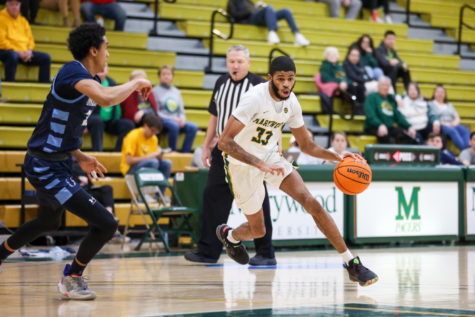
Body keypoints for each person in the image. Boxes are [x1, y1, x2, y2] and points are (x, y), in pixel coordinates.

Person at [0, 23, 153, 300]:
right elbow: (107, 99)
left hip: (57, 161)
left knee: (48, 222)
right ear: (93, 50)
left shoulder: (85, 80)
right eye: (106, 47)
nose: (108, 53)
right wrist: (136, 83)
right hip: (44, 165)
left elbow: (60, 126)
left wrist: (80, 155)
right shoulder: (74, 72)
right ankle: (72, 277)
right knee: (107, 224)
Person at [216, 56, 378, 286]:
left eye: (290, 79)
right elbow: (224, 142)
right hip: (241, 164)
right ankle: (230, 236)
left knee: (311, 202)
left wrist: (338, 157)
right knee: (258, 230)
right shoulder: (254, 99)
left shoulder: (292, 103)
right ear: (270, 78)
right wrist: (258, 164)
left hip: (271, 157)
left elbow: (307, 145)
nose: (286, 84)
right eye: (280, 79)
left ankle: (351, 263)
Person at [184, 45, 277, 266]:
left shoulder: (259, 85)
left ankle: (266, 252)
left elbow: (272, 119)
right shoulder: (221, 83)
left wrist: (274, 147)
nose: (235, 65)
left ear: (248, 62)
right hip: (223, 149)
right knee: (212, 196)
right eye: (231, 61)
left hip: (249, 151)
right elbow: (214, 117)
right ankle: (208, 251)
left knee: (257, 200)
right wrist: (206, 146)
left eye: (239, 61)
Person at [0, 0, 51, 83]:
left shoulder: (23, 20)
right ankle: (10, 83)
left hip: (24, 52)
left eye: (16, 4)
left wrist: (29, 51)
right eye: (12, 4)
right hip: (7, 50)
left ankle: (44, 87)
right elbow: (2, 41)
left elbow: (30, 39)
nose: (15, 7)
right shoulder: (1, 18)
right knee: (12, 56)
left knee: (46, 58)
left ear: (20, 5)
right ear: (6, 6)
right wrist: (18, 51)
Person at [120, 113, 172, 194]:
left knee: (167, 163)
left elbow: (153, 158)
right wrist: (149, 157)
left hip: (148, 165)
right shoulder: (133, 136)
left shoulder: (154, 138)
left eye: (156, 132)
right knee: (153, 162)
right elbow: (128, 161)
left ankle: (159, 196)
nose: (153, 134)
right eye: (152, 131)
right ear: (145, 125)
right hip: (129, 170)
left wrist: (158, 157)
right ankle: (145, 195)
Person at [86, 65, 135, 151]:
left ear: (107, 70)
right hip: (93, 119)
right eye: (98, 69)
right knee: (98, 121)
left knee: (128, 125)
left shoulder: (112, 83)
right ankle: (98, 153)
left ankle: (117, 154)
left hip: (110, 121)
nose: (100, 71)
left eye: (103, 69)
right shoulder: (89, 83)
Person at [152, 65, 198, 153]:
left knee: (193, 127)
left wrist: (182, 119)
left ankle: (185, 152)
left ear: (172, 76)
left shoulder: (176, 92)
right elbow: (156, 111)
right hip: (163, 120)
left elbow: (181, 110)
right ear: (159, 76)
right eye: (164, 74)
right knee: (174, 125)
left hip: (176, 120)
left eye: (169, 74)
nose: (166, 76)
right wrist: (173, 119)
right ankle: (173, 151)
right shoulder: (155, 91)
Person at [226, 0, 309, 46]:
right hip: (250, 19)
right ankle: (272, 31)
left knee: (286, 11)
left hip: (260, 16)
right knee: (269, 8)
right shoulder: (232, 2)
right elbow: (234, 15)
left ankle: (297, 34)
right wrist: (250, 11)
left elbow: (254, 9)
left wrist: (257, 8)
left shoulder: (249, 1)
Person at [364, 77, 417, 144]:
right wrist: (380, 125)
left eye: (387, 85)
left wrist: (409, 126)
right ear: (378, 86)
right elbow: (370, 116)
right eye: (383, 85)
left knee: (406, 135)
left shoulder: (391, 98)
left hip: (389, 128)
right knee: (385, 136)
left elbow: (398, 116)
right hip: (374, 127)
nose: (385, 87)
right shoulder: (371, 97)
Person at [428, 84, 469, 151]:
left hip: (452, 124)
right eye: (438, 92)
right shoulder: (431, 104)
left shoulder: (449, 105)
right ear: (434, 93)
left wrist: (454, 123)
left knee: (465, 130)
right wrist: (447, 124)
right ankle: (465, 150)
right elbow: (431, 117)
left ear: (445, 94)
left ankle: (468, 148)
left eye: (442, 92)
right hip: (441, 125)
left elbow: (457, 117)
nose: (440, 94)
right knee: (453, 131)